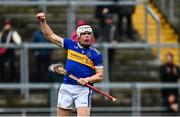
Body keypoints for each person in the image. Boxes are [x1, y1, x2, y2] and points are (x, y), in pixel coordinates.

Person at [36, 12, 103, 116]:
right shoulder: (70, 44)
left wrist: (87, 80)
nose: (87, 36)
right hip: (67, 86)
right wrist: (43, 22)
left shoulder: (96, 54)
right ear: (78, 37)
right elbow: (50, 36)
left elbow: (99, 75)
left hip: (84, 89)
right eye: (84, 34)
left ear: (92, 36)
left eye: (89, 34)